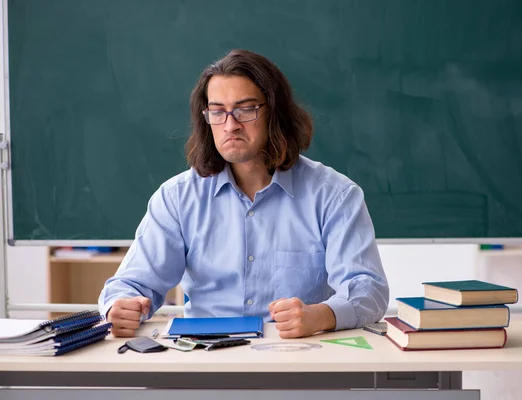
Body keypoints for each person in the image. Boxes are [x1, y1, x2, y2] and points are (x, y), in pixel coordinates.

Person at [98, 49, 389, 338]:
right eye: (217, 111)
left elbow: (369, 289)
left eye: (245, 109)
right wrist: (120, 306)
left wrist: (321, 316)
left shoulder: (334, 196)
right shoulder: (177, 199)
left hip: (296, 362)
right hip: (205, 365)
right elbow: (130, 285)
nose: (230, 125)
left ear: (275, 112)